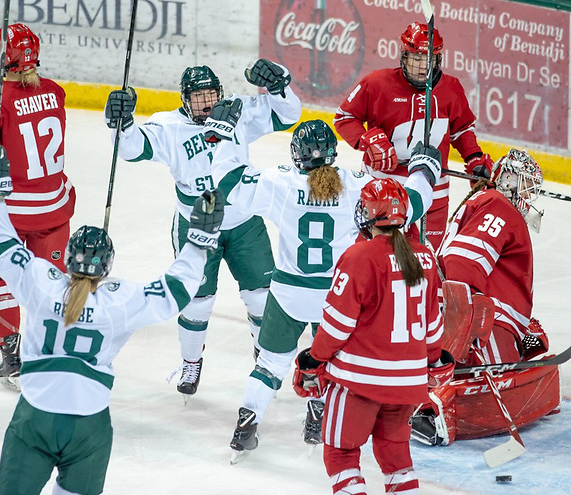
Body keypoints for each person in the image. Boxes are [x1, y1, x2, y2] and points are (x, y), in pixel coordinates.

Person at [0, 143, 223, 495]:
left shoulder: (42, 283)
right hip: (89, 423)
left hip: (35, 417)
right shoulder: (118, 302)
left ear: (68, 259)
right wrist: (198, 242)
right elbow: (175, 292)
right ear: (107, 268)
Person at [202, 112, 441, 460]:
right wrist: (425, 169)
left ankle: (247, 422)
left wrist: (227, 136)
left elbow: (228, 183)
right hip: (338, 294)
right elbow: (412, 204)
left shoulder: (280, 182)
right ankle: (317, 414)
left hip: (288, 292)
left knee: (269, 363)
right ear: (332, 152)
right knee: (325, 359)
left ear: (296, 154)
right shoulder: (356, 183)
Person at [103, 60, 301, 399]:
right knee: (197, 301)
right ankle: (191, 362)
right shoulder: (168, 127)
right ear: (184, 100)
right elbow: (132, 148)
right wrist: (119, 124)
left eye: (211, 94)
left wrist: (281, 86)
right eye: (198, 97)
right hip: (196, 228)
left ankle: (264, 359)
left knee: (261, 298)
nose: (206, 103)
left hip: (243, 223)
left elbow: (287, 114)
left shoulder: (236, 111)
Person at [292, 178, 454, 495]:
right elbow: (433, 325)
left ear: (370, 214)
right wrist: (434, 362)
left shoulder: (359, 257)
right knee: (396, 461)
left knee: (341, 455)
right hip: (408, 384)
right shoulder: (425, 257)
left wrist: (314, 359)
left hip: (358, 382)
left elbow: (337, 325)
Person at [410, 149, 557, 446]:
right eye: (525, 185)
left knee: (529, 342)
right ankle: (433, 405)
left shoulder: (489, 201)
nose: (528, 195)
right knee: (501, 371)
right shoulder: (499, 207)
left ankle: (442, 372)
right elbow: (462, 264)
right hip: (481, 320)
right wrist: (468, 320)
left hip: (479, 314)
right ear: (509, 181)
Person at [0, 23, 75, 390]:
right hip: (55, 209)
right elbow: (26, 111)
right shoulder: (56, 93)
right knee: (52, 284)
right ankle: (53, 352)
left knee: (1, 278)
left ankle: (12, 353)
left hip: (11, 213)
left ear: (1, 58)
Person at [333, 22, 493, 251]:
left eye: (427, 59)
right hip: (383, 188)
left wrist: (474, 158)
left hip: (434, 189)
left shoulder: (451, 89)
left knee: (428, 256)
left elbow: (462, 128)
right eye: (415, 58)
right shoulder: (377, 83)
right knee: (374, 252)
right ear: (403, 56)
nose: (421, 66)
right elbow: (344, 117)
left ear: (438, 61)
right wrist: (366, 141)